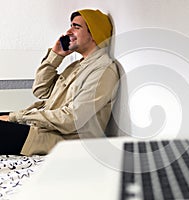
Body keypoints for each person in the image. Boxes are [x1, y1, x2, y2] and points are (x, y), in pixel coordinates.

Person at [0, 9, 120, 155]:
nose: (68, 31)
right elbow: (41, 90)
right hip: (44, 129)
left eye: (76, 27)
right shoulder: (78, 65)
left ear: (94, 34)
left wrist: (17, 117)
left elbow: (72, 119)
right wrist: (55, 56)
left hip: (58, 139)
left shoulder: (103, 70)